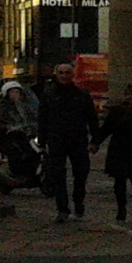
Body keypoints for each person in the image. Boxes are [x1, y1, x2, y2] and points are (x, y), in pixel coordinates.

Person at [37, 61, 100, 223]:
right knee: (58, 175)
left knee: (81, 173)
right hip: (56, 140)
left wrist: (95, 140)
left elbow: (92, 119)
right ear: (56, 74)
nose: (65, 76)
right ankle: (62, 208)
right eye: (61, 73)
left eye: (68, 73)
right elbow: (42, 119)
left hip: (78, 140)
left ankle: (78, 200)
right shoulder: (48, 95)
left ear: (73, 75)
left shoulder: (82, 95)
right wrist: (42, 142)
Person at [91, 84, 132, 223]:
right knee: (119, 182)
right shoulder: (116, 111)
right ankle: (121, 209)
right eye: (127, 94)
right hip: (119, 149)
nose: (129, 98)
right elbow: (106, 129)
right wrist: (95, 142)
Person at [0, 80, 45, 192]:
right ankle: (14, 172)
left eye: (17, 92)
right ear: (6, 94)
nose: (15, 95)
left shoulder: (28, 107)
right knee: (15, 150)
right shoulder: (2, 109)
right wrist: (4, 126)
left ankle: (32, 172)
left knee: (34, 149)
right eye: (12, 92)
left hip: (28, 134)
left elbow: (37, 116)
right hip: (10, 136)